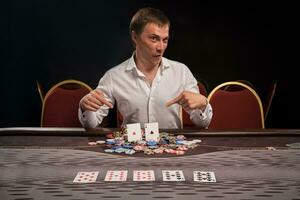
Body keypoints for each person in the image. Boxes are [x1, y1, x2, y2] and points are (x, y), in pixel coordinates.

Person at [78, 7, 212, 129]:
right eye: (154, 38)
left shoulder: (181, 72)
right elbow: (91, 124)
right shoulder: (113, 76)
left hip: (171, 150)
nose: (161, 47)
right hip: (131, 150)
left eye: (164, 40)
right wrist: (85, 108)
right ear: (134, 36)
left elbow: (203, 123)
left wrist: (203, 104)